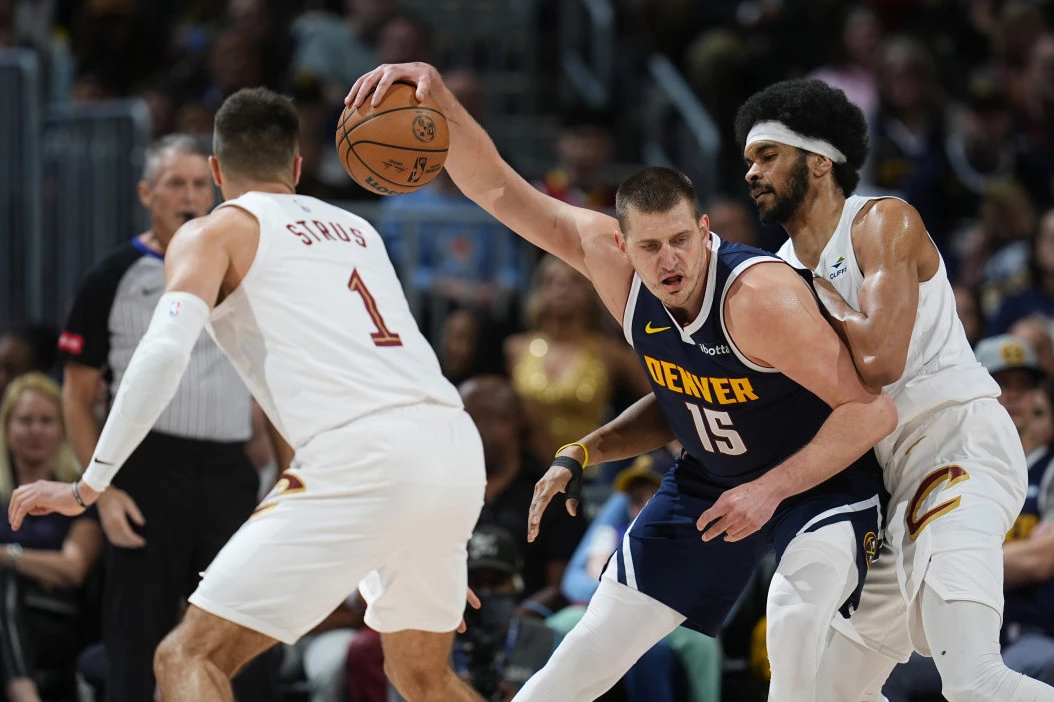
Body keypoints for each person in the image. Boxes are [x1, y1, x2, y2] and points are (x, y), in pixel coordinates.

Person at [345, 63, 897, 702]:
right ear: (621, 246)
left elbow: (871, 411)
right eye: (651, 247)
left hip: (817, 481)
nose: (670, 261)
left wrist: (768, 491)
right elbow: (498, 189)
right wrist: (437, 99)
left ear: (706, 232)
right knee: (576, 663)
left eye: (682, 240)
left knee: (795, 629)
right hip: (710, 481)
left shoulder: (759, 299)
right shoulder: (609, 265)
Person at [9, 87, 487, 702]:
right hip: (449, 447)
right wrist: (414, 529)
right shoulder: (359, 231)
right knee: (423, 675)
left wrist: (88, 485)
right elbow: (370, 376)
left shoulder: (215, 232)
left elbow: (162, 354)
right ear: (297, 167)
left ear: (215, 171)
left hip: (361, 455)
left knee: (186, 655)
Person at [734, 77, 1054, 700]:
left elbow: (880, 360)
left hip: (955, 450)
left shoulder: (883, 221)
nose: (751, 172)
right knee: (829, 694)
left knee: (972, 681)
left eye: (767, 155)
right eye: (748, 160)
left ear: (818, 161)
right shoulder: (780, 271)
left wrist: (814, 298)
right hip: (891, 487)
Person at [56, 133, 274, 702]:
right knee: (136, 641)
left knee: (243, 637)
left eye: (201, 184)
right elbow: (76, 396)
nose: (191, 196)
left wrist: (286, 476)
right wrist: (102, 493)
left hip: (228, 472)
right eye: (175, 184)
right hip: (145, 471)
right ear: (146, 194)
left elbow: (275, 383)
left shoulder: (246, 269)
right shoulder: (113, 275)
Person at [0, 373, 102, 702]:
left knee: (4, 580)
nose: (36, 430)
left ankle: (23, 692)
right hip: (10, 616)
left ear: (62, 429)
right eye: (25, 420)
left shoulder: (76, 498)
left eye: (46, 420)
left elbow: (72, 568)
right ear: (6, 428)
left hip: (54, 615)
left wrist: (8, 556)